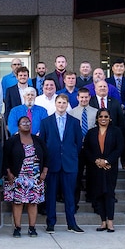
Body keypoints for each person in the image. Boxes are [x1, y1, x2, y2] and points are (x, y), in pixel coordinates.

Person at [39, 94, 84, 233]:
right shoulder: (46, 122)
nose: (61, 105)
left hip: (69, 164)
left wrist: (70, 155)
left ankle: (71, 223)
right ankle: (51, 223)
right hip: (52, 164)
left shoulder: (75, 122)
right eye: (59, 102)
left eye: (64, 102)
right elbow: (42, 144)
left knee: (69, 196)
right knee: (51, 195)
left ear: (67, 104)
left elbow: (78, 143)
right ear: (55, 103)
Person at [2, 115, 46, 238]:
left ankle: (32, 228)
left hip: (35, 177)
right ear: (18, 126)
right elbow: (5, 158)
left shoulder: (38, 140)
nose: (26, 124)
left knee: (33, 203)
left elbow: (46, 156)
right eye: (23, 123)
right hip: (17, 177)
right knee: (17, 203)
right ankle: (17, 228)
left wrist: (44, 172)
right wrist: (9, 173)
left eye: (28, 122)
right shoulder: (12, 140)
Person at [83, 109, 124, 232]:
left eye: (106, 116)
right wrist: (97, 161)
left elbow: (119, 148)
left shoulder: (116, 131)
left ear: (110, 118)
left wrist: (106, 161)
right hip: (95, 168)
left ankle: (110, 222)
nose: (103, 118)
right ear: (97, 118)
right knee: (99, 194)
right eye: (100, 116)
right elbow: (86, 149)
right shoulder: (91, 132)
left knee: (109, 194)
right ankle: (103, 222)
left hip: (109, 168)